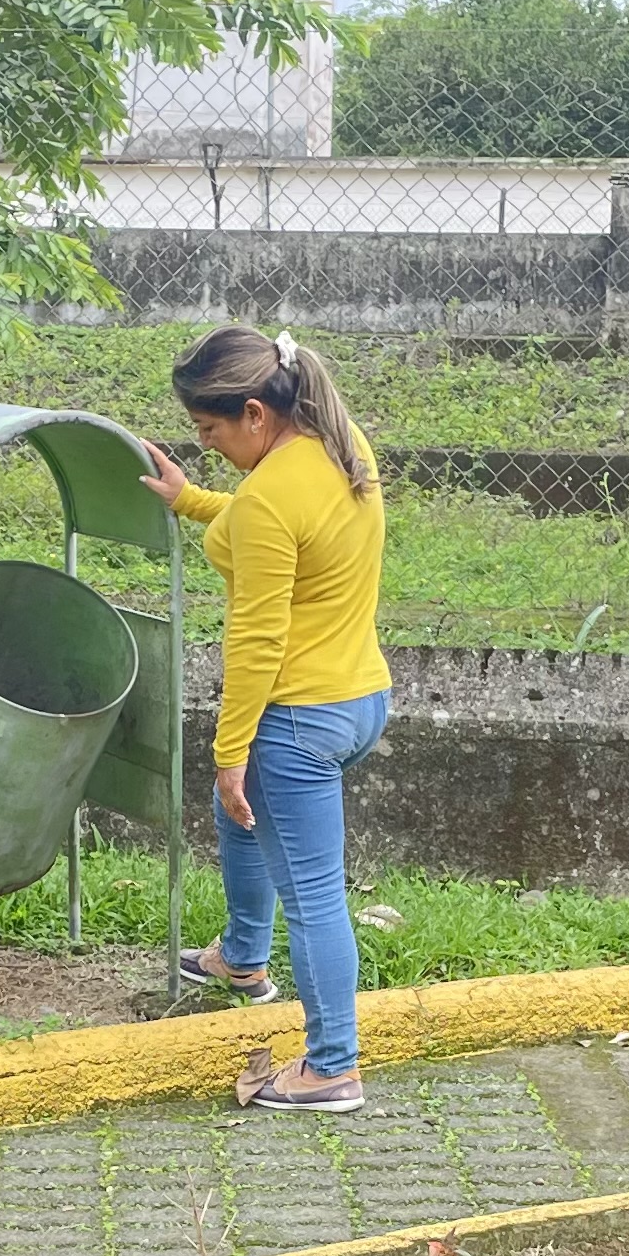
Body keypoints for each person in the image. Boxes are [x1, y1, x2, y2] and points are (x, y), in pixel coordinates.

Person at [137, 325, 394, 1113]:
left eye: (209, 430)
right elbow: (268, 528)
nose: (205, 445)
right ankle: (244, 958)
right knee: (242, 817)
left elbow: (255, 639)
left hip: (297, 717)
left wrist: (231, 750)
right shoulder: (338, 446)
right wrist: (190, 500)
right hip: (360, 699)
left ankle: (332, 1067)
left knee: (313, 895)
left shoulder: (270, 498)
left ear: (254, 413)